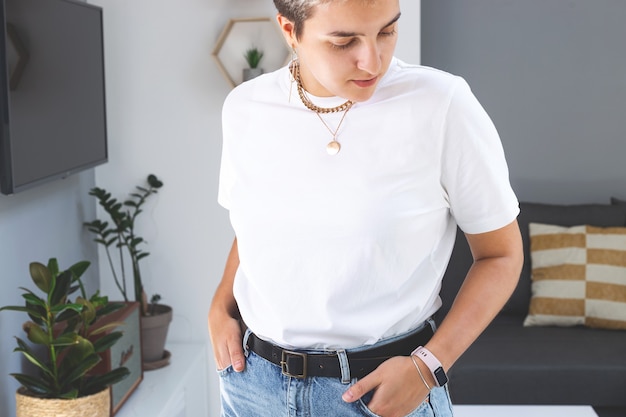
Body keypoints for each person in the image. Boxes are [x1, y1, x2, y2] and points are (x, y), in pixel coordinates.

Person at [208, 0, 524, 416]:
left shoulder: (441, 104)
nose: (372, 61)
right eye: (344, 42)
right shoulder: (245, 108)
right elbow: (255, 227)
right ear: (290, 31)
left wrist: (428, 367)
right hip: (253, 387)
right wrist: (219, 306)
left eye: (387, 31)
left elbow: (501, 255)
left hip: (379, 394)